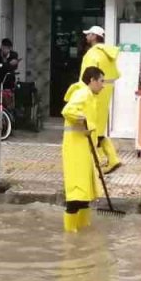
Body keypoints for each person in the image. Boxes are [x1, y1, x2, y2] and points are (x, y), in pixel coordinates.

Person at [61, 66, 107, 233]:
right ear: (92, 80)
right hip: (75, 150)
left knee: (86, 192)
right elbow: (68, 111)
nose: (103, 85)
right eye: (101, 81)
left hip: (84, 148)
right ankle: (70, 233)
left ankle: (82, 228)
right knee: (77, 193)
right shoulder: (82, 93)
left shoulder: (90, 96)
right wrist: (84, 120)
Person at [80, 26, 122, 173]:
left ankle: (95, 164)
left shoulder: (92, 54)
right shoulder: (108, 53)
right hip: (106, 92)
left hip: (95, 93)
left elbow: (87, 77)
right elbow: (116, 74)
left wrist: (80, 92)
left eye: (88, 34)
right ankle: (112, 158)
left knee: (91, 128)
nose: (86, 36)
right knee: (99, 129)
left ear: (94, 36)